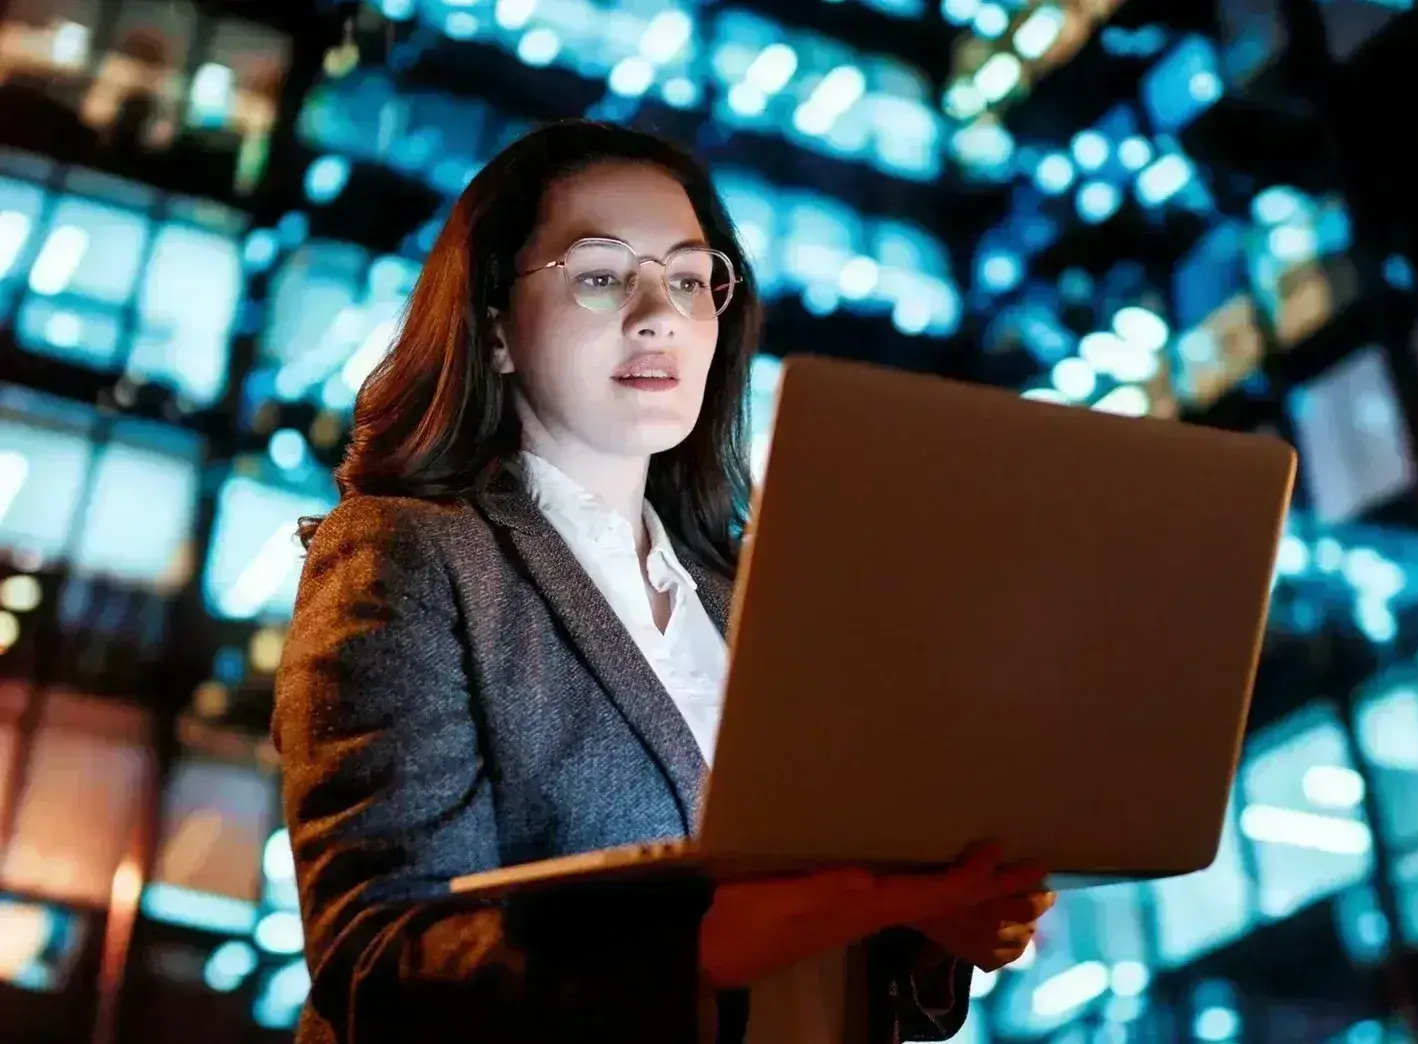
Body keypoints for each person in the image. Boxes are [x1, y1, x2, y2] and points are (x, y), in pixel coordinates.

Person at [274, 119, 1055, 1044]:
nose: (660, 313)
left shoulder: (755, 601)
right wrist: (701, 948)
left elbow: (825, 934)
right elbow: (380, 962)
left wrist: (928, 928)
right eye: (602, 275)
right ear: (494, 332)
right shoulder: (410, 555)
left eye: (689, 279)